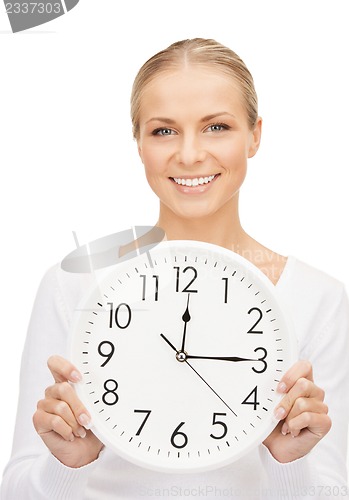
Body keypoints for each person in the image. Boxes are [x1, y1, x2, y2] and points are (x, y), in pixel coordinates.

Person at [1, 38, 348, 499]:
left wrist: (290, 461)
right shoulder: (75, 285)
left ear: (255, 135)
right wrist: (66, 465)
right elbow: (17, 490)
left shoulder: (318, 300)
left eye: (216, 127)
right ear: (138, 142)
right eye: (163, 131)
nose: (189, 155)